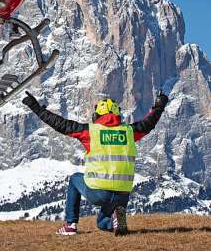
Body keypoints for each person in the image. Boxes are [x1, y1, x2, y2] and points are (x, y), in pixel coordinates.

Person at [22, 91, 169, 236]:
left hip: (99, 192)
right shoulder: (129, 131)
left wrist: (36, 107)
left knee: (74, 179)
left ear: (97, 115)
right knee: (102, 223)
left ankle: (70, 225)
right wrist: (159, 105)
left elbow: (59, 124)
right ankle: (114, 221)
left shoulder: (90, 131)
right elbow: (149, 123)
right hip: (122, 194)